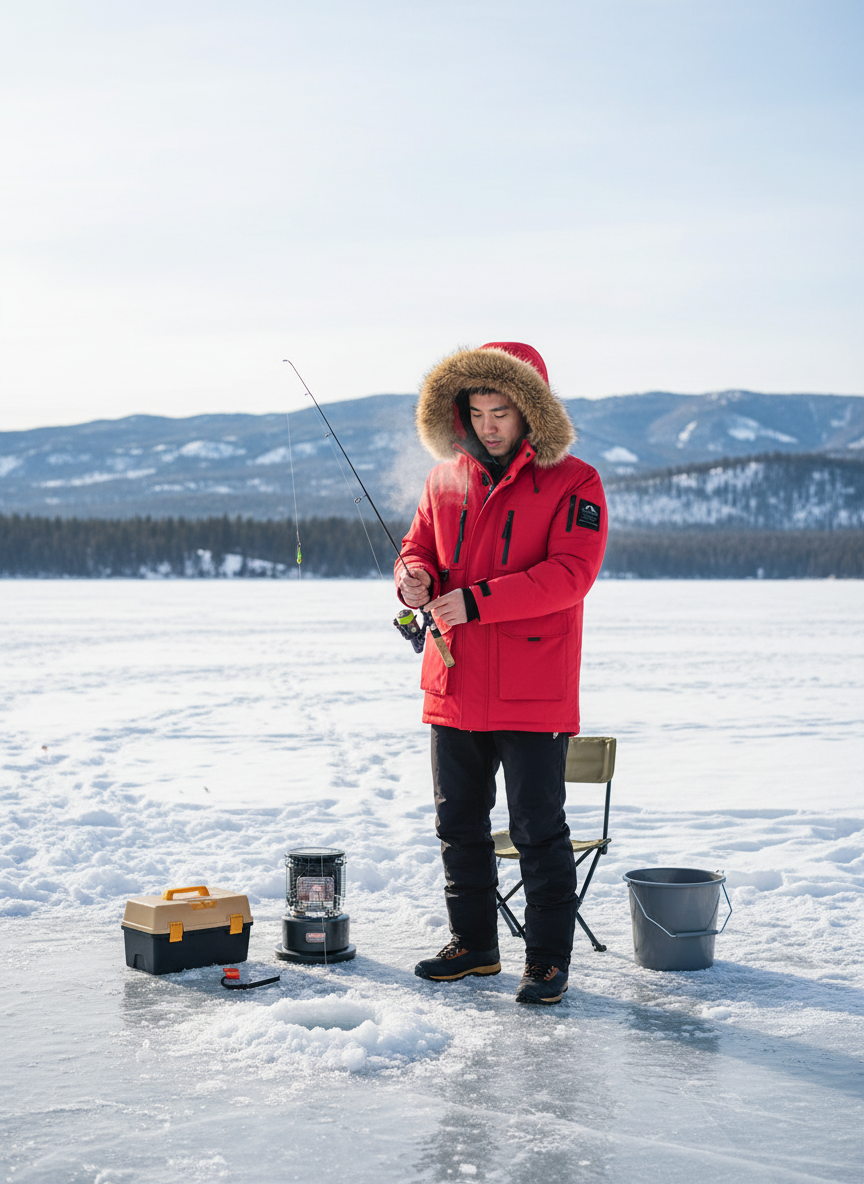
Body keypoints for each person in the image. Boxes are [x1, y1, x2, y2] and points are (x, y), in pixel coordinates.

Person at [395, 341, 607, 1005]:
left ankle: (545, 962)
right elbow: (417, 547)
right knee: (457, 825)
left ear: (531, 413)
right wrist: (412, 579)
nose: (488, 424)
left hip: (530, 690)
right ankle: (475, 947)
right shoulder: (443, 480)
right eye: (478, 410)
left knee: (538, 832)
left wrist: (478, 600)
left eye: (502, 411)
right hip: (453, 683)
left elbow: (571, 575)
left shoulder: (576, 481)